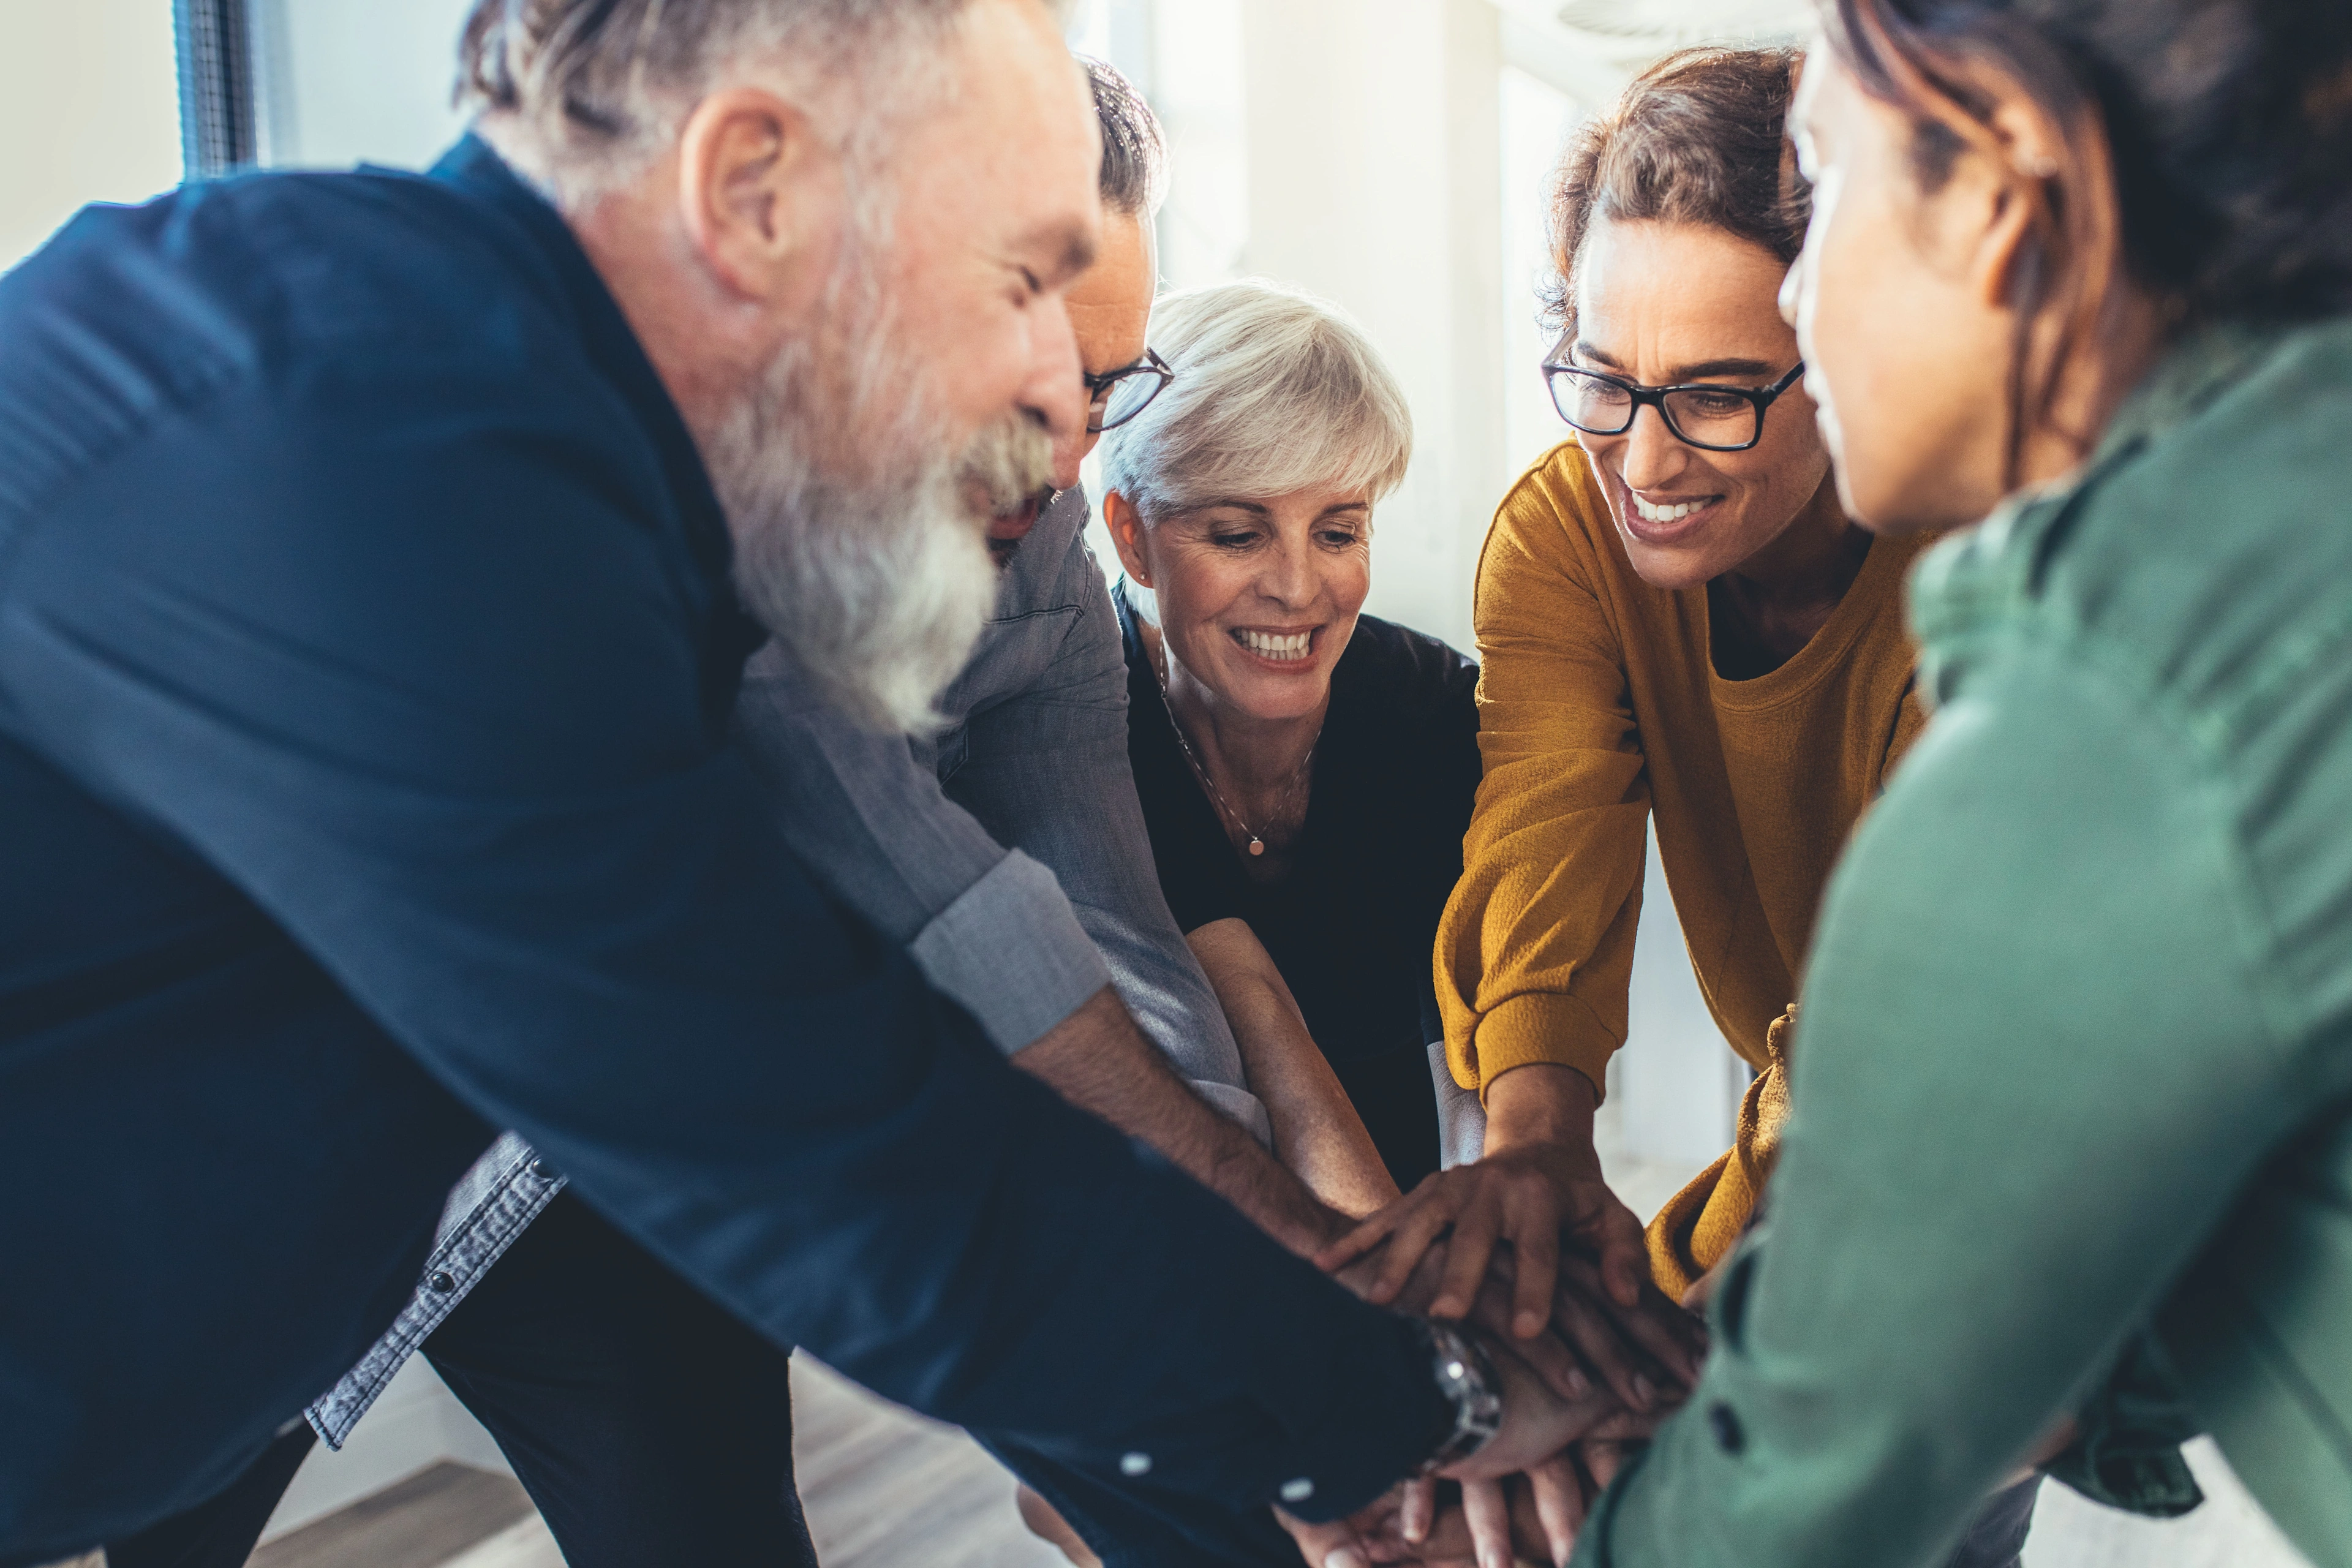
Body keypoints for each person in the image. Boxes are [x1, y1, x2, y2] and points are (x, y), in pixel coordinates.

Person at [0, 2, 1605, 1562]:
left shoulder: (538, 439)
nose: (1066, 414)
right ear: (754, 189)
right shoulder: (374, 459)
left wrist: (1337, 1379)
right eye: (1018, 281)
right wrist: (1412, 1401)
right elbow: (837, 1140)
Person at [1559, 1, 2352, 1566]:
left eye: (1822, 187)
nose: (1800, 297)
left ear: (2001, 191)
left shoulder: (2128, 690)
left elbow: (1778, 1511)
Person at [1307, 47, 2020, 1568]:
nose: (1641, 458)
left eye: (1712, 397)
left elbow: (1887, 1045)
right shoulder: (1566, 538)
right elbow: (1545, 832)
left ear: (1854, 356)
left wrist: (1648, 1340)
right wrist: (1534, 1149)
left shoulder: (1984, 580)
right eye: (1604, 378)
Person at [1100, 278, 1478, 1208]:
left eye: (1338, 531)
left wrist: (1490, 1239)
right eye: (1239, 534)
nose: (1299, 588)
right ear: (1134, 538)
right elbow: (1258, 1022)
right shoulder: (1084, 721)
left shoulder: (1432, 712)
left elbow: (1479, 1057)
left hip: (1401, 1185)